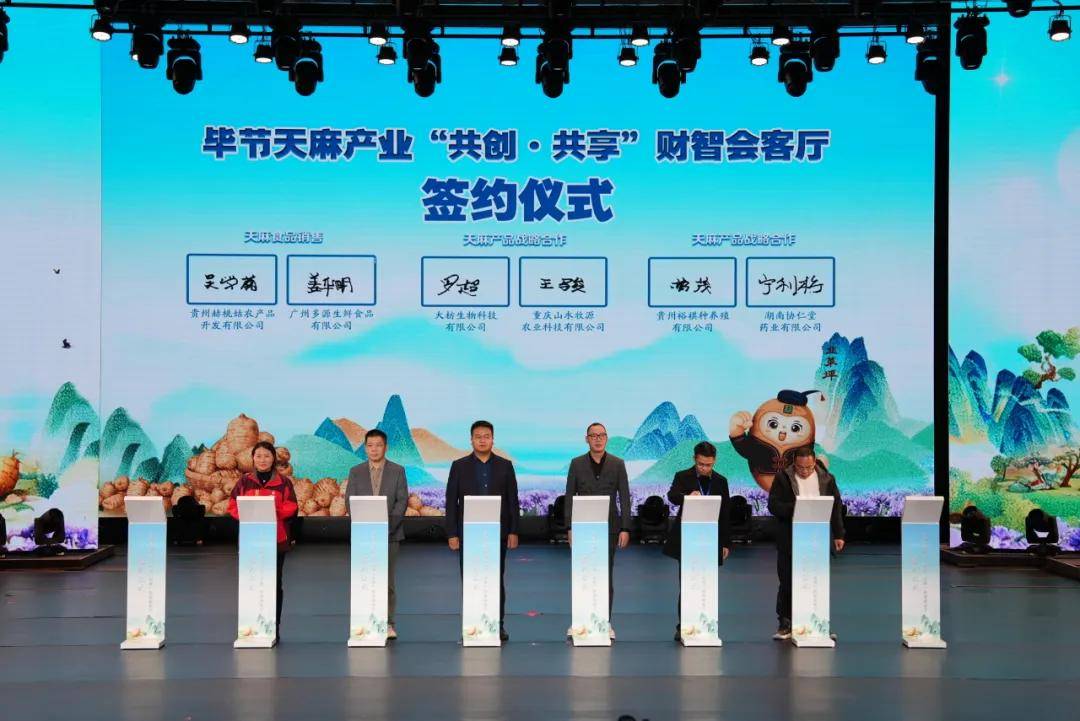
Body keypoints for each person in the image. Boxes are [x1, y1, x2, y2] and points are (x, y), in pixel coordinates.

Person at [444, 420, 521, 642]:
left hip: (498, 534)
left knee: (496, 579)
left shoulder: (505, 466)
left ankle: (498, 625)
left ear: (493, 439)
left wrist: (514, 531)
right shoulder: (459, 466)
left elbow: (513, 501)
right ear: (471, 440)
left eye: (486, 436)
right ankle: (472, 625)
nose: (482, 440)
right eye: (478, 436)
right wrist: (452, 534)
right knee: (471, 580)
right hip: (468, 535)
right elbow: (451, 502)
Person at [767, 446, 845, 640]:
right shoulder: (783, 478)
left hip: (818, 538)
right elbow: (773, 505)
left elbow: (836, 506)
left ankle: (819, 624)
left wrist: (839, 534)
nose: (804, 471)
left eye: (808, 467)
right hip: (790, 537)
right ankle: (786, 623)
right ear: (794, 463)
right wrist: (797, 507)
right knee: (787, 582)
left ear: (814, 462)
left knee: (817, 581)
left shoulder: (827, 478)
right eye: (800, 467)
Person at [564, 422, 631, 640]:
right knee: (583, 575)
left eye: (601, 435)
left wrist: (625, 527)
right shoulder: (576, 463)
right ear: (587, 439)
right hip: (582, 528)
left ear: (607, 438)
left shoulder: (617, 464)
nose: (598, 439)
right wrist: (569, 527)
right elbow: (569, 496)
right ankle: (580, 622)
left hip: (609, 528)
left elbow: (624, 497)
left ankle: (605, 621)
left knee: (605, 575)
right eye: (593, 435)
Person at [227, 440, 299, 638]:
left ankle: (273, 626)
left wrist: (269, 511)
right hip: (250, 541)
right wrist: (251, 513)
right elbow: (232, 506)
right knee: (251, 581)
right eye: (258, 456)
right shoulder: (244, 482)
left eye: (267, 456)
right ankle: (251, 625)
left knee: (274, 582)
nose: (262, 460)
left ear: (273, 458)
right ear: (253, 458)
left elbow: (292, 506)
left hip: (276, 540)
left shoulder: (284, 482)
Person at [662, 441, 732, 642]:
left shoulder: (721, 481)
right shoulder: (682, 476)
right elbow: (672, 496)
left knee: (707, 583)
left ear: (714, 461)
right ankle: (684, 626)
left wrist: (725, 543)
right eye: (701, 464)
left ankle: (707, 624)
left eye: (708, 465)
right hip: (687, 538)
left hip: (711, 538)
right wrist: (687, 496)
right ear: (694, 459)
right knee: (687, 583)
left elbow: (725, 513)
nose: (704, 468)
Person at [346, 428, 409, 640]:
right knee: (365, 579)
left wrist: (387, 527)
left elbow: (402, 501)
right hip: (364, 536)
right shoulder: (356, 471)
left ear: (386, 447)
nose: (374, 449)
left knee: (387, 581)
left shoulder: (397, 470)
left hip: (390, 535)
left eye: (378, 445)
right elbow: (350, 501)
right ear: (365, 448)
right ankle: (364, 621)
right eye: (370, 446)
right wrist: (365, 527)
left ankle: (388, 623)